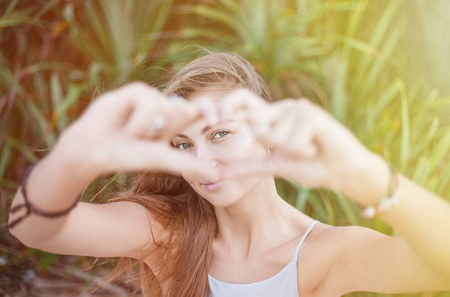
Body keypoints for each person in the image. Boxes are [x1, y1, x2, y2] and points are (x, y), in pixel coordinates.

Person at [7, 52, 450, 297]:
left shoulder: (330, 252)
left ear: (269, 136)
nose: (203, 160)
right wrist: (78, 154)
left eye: (220, 134)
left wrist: (365, 174)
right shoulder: (167, 235)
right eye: (184, 144)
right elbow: (35, 228)